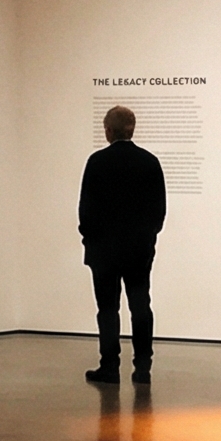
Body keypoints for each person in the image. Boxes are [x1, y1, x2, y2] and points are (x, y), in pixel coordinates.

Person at [80, 105, 168, 386]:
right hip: (139, 251)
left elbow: (86, 210)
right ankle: (143, 368)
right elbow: (159, 210)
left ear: (107, 130)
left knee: (107, 309)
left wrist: (90, 240)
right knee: (140, 306)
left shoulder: (97, 162)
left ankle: (110, 366)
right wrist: (148, 238)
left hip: (103, 251)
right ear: (133, 129)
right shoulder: (149, 162)